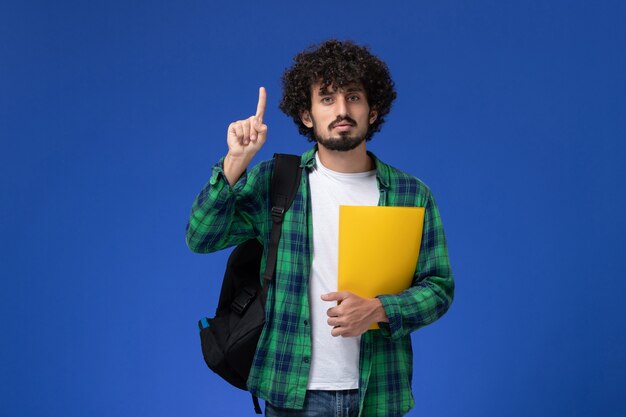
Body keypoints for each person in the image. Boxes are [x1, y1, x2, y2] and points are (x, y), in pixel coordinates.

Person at [186, 39, 454, 417]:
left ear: (373, 110)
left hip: (377, 393)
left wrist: (380, 309)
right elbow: (201, 237)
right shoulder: (276, 181)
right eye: (327, 98)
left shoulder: (411, 194)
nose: (342, 110)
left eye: (354, 97)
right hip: (291, 394)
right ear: (307, 115)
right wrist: (234, 162)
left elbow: (439, 287)